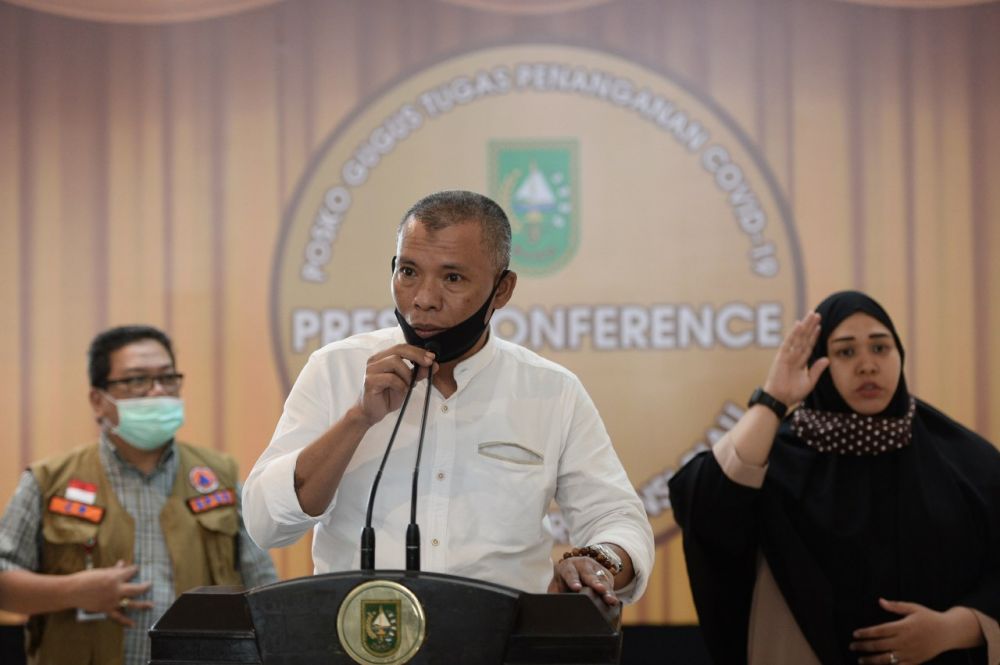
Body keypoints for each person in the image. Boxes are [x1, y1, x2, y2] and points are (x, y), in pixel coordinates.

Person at [243, 190, 654, 606]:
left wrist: (597, 562)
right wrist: (357, 419)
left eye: (452, 278)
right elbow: (266, 524)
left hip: (503, 645)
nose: (423, 299)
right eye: (408, 272)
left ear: (502, 290)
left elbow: (617, 519)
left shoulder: (551, 391)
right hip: (359, 642)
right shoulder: (336, 369)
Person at [668, 291, 1000, 665]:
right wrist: (774, 399)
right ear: (819, 363)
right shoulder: (777, 457)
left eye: (880, 348)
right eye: (845, 352)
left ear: (899, 355)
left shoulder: (960, 460)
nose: (867, 365)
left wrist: (953, 628)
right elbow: (703, 505)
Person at [0, 325, 278, 665]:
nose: (156, 392)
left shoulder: (219, 476)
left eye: (167, 378)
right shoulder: (49, 480)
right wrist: (72, 591)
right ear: (98, 400)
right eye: (136, 380)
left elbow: (263, 590)